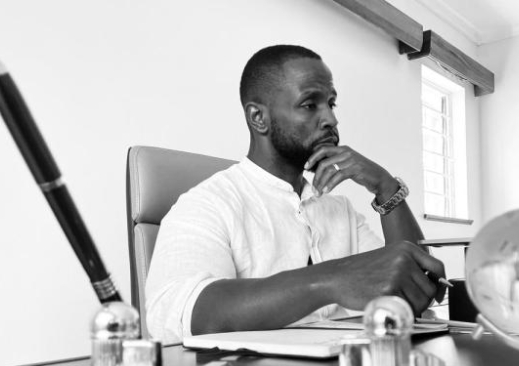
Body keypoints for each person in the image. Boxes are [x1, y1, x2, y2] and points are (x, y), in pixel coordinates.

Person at [145, 44, 447, 341]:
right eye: (309, 104)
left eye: (331, 103)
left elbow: (415, 288)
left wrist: (385, 186)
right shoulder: (207, 204)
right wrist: (331, 279)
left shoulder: (338, 209)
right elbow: (178, 313)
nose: (331, 118)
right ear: (258, 118)